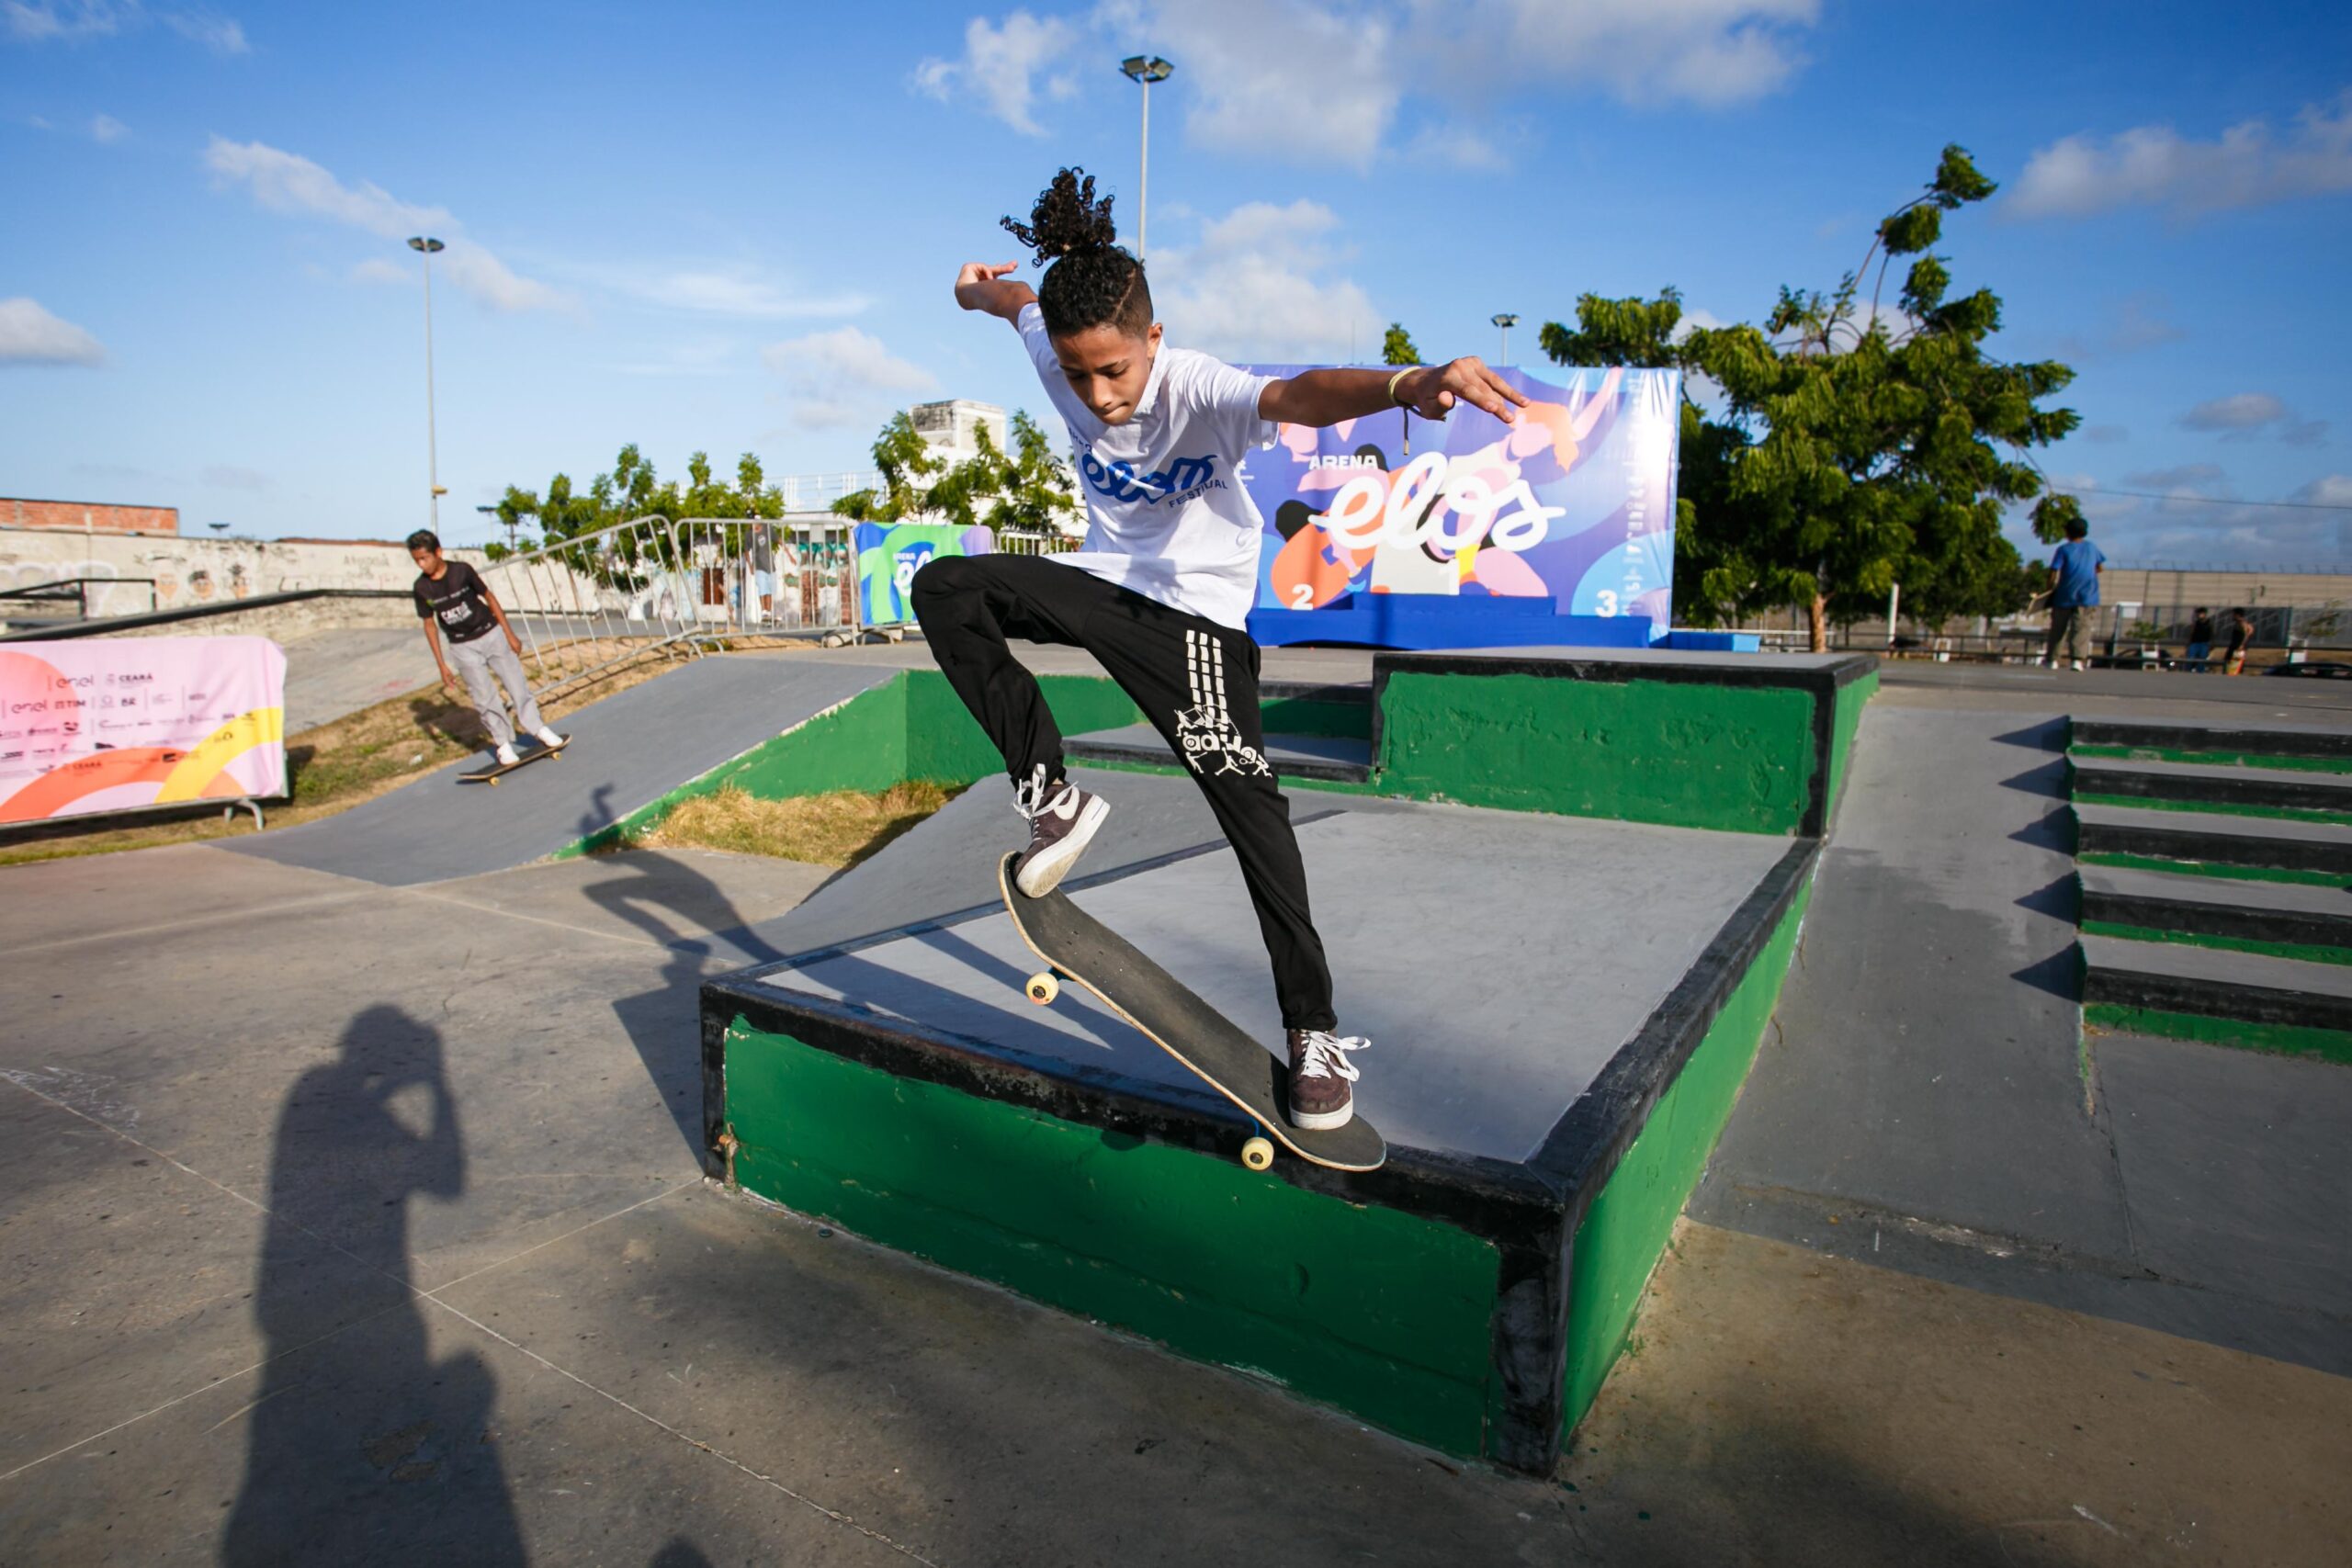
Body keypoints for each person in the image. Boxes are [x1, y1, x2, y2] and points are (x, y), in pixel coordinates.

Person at [911, 168, 1528, 1133]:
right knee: (945, 584)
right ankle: (1049, 791)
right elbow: (1018, 301)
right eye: (1078, 375)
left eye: (1114, 370)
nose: (1097, 394)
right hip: (1109, 583)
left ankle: (1313, 1032)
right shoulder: (1059, 352)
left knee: (1248, 804)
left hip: (1197, 624)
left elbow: (1302, 393)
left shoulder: (1200, 385)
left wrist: (1408, 381)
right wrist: (970, 287)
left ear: (1151, 341)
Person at [408, 529, 565, 766]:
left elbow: (489, 597)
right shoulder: (421, 588)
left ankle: (537, 728)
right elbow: (429, 624)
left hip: (490, 633)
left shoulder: (462, 571)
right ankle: (503, 744)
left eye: (424, 558)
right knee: (483, 695)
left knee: (516, 683)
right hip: (462, 645)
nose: (421, 564)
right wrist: (441, 664)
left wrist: (509, 634)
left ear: (438, 552)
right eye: (417, 560)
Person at [2038, 515, 2105, 671]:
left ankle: (2052, 659)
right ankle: (2077, 660)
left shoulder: (2063, 550)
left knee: (2058, 628)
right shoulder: (2092, 548)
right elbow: (2100, 567)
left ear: (2067, 532)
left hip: (2065, 594)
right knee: (2081, 628)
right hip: (2088, 595)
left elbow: (2054, 570)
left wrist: (2049, 589)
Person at [2224, 605, 2254, 675]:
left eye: (2233, 614)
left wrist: (2242, 645)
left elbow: (2246, 635)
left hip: (2238, 646)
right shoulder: (2239, 623)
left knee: (2236, 665)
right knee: (2228, 661)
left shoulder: (2242, 623)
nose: (2232, 616)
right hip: (2234, 645)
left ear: (2237, 615)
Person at [2185, 606, 2214, 670]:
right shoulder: (2196, 623)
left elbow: (2211, 634)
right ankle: (2188, 670)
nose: (2198, 615)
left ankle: (2200, 671)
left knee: (2202, 658)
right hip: (2195, 643)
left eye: (2200, 614)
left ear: (2204, 614)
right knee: (2190, 657)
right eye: (2198, 614)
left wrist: (2211, 644)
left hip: (2204, 643)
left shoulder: (2209, 623)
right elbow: (2192, 633)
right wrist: (2189, 643)